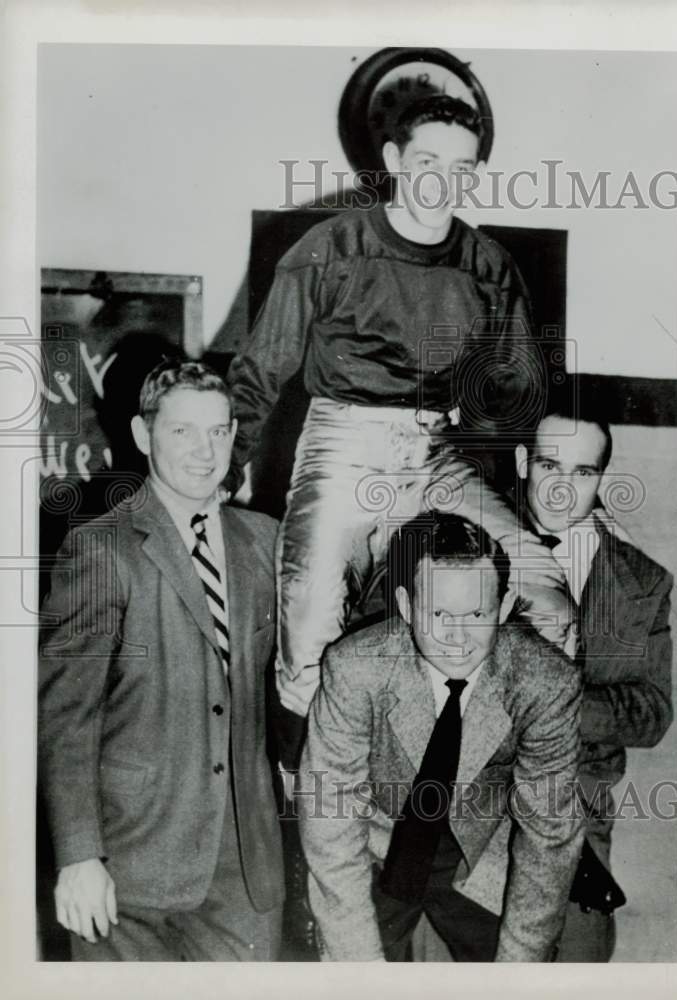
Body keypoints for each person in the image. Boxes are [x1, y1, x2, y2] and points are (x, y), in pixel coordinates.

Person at [226, 94, 572, 726]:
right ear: (394, 160)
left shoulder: (489, 267)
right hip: (344, 447)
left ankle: (472, 773)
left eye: (462, 167)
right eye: (428, 162)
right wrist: (216, 480)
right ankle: (310, 809)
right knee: (309, 638)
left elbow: (515, 395)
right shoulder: (331, 248)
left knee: (548, 598)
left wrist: (538, 492)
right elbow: (260, 370)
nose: (444, 183)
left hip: (440, 454)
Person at [38, 360, 284, 961]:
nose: (205, 451)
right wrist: (78, 857)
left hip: (244, 869)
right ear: (144, 435)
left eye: (219, 431)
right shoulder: (100, 547)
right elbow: (65, 718)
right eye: (182, 432)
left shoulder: (267, 540)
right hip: (130, 865)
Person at [298, 511, 583, 962]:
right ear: (408, 607)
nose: (457, 637)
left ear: (505, 608)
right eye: (439, 614)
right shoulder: (355, 667)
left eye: (476, 613)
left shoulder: (545, 681)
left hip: (483, 848)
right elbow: (330, 819)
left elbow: (547, 839)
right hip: (378, 846)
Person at [514, 393, 674, 961]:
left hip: (581, 819)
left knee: (578, 967)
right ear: (520, 462)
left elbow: (652, 712)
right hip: (467, 811)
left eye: (582, 472)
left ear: (601, 477)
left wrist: (555, 706)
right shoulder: (469, 548)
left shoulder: (641, 581)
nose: (561, 488)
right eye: (548, 465)